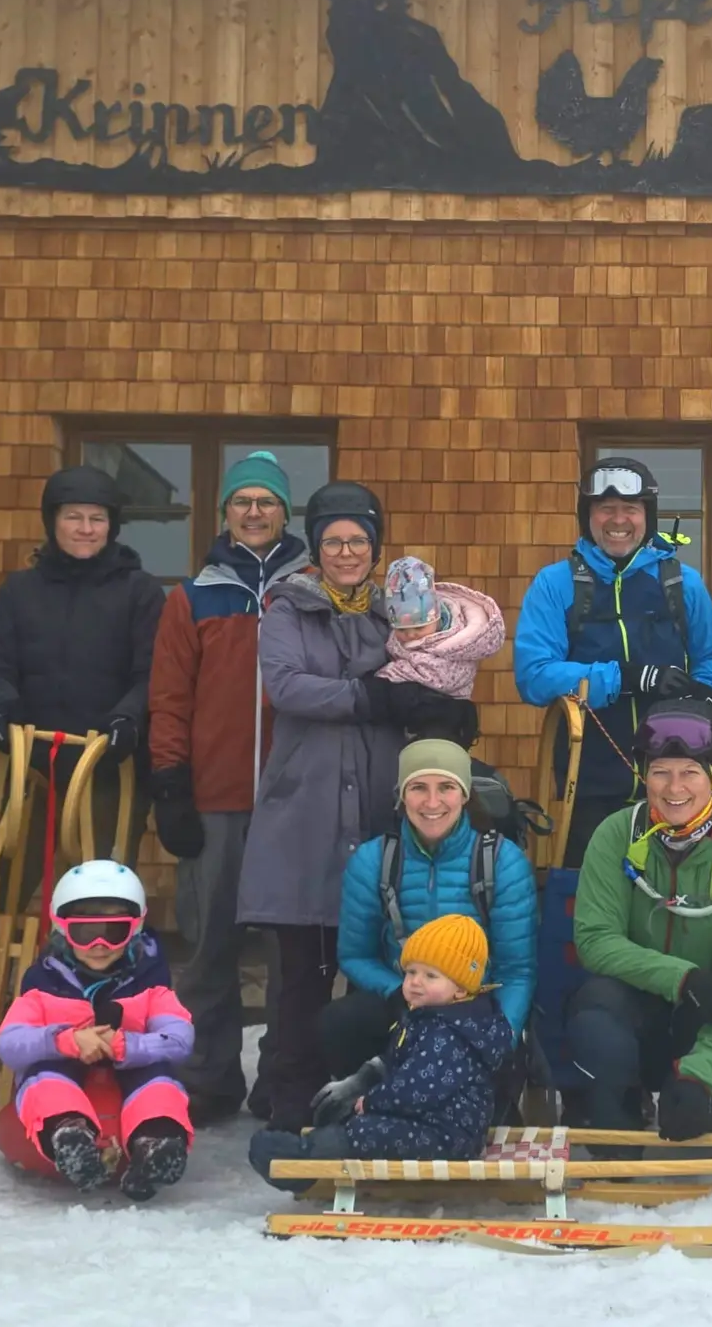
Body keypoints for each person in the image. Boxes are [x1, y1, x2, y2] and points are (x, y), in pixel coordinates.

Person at [236, 482, 478, 1129]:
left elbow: (427, 668)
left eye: (359, 540)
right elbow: (287, 686)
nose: (347, 551)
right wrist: (375, 698)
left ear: (375, 548)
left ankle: (364, 1107)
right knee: (299, 982)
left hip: (375, 810)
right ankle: (291, 1116)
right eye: (335, 540)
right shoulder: (287, 608)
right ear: (316, 547)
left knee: (372, 973)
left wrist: (442, 709)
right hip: (303, 818)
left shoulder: (397, 613)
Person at [146, 451, 310, 1125]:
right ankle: (207, 1077)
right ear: (225, 514)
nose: (253, 512)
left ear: (283, 512)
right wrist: (170, 786)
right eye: (242, 502)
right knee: (208, 948)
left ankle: (281, 1078)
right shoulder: (192, 596)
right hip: (214, 801)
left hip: (294, 803)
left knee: (290, 957)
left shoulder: (311, 587)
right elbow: (169, 699)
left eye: (265, 502)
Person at [565, 700, 712, 1148]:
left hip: (710, 1019)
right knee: (596, 1008)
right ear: (644, 775)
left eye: (691, 773)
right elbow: (595, 940)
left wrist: (701, 1075)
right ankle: (619, 1122)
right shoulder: (615, 835)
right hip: (638, 1017)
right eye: (661, 771)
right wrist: (682, 978)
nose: (674, 787)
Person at [514, 457, 712, 865]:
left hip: (675, 781)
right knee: (596, 901)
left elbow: (709, 660)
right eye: (605, 509)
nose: (619, 520)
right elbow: (534, 675)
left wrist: (705, 698)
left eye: (631, 509)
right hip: (589, 779)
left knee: (674, 901)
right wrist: (627, 678)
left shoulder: (682, 583)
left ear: (648, 516)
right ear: (587, 517)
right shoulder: (556, 583)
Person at [0, 466, 166, 884]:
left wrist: (128, 719)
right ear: (52, 521)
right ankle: (8, 949)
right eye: (73, 517)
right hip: (33, 763)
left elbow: (153, 673)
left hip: (107, 766)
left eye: (97, 519)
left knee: (99, 889)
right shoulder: (20, 591)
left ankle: (102, 947)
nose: (86, 529)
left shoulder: (141, 592)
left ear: (112, 527)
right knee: (6, 881)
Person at [329, 739, 536, 1109]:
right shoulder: (373, 861)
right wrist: (404, 991)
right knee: (342, 1021)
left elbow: (517, 970)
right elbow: (355, 955)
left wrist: (501, 1036)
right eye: (418, 788)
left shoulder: (502, 862)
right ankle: (364, 1114)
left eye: (446, 788)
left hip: (476, 1006)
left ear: (465, 794)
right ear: (401, 796)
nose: (432, 802)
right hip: (403, 998)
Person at [248, 914, 516, 1192]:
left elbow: (417, 1087)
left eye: (430, 976)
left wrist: (373, 1100)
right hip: (431, 1123)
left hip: (447, 1137)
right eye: (411, 972)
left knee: (364, 1130)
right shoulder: (431, 1018)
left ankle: (300, 1166)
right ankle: (314, 1149)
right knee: (360, 1122)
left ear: (461, 988)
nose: (415, 982)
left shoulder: (450, 1033)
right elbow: (400, 1062)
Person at [0, 860, 194, 1202]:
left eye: (114, 931)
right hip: (66, 1075)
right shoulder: (43, 987)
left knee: (158, 1079)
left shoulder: (150, 986)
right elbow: (9, 1042)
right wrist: (64, 1040)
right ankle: (70, 1136)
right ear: (61, 929)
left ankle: (156, 1143)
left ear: (136, 928)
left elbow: (179, 1038)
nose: (99, 943)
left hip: (129, 1076)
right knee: (44, 1076)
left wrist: (126, 1046)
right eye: (84, 932)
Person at [377, 555, 506, 710]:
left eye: (419, 628)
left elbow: (440, 676)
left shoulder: (456, 641)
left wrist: (388, 674)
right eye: (402, 629)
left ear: (436, 618)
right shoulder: (398, 639)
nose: (411, 635)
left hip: (447, 710)